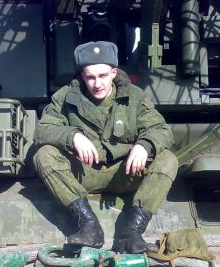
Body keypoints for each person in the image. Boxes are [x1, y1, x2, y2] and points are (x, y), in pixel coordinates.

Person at [33, 41, 178, 253]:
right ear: (82, 76)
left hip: (126, 172)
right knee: (44, 155)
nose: (97, 83)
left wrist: (144, 145)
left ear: (114, 73)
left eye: (103, 76)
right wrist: (72, 136)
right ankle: (88, 226)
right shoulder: (65, 97)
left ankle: (131, 234)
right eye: (90, 77)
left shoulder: (135, 96)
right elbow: (42, 130)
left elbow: (161, 130)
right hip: (82, 173)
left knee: (167, 159)